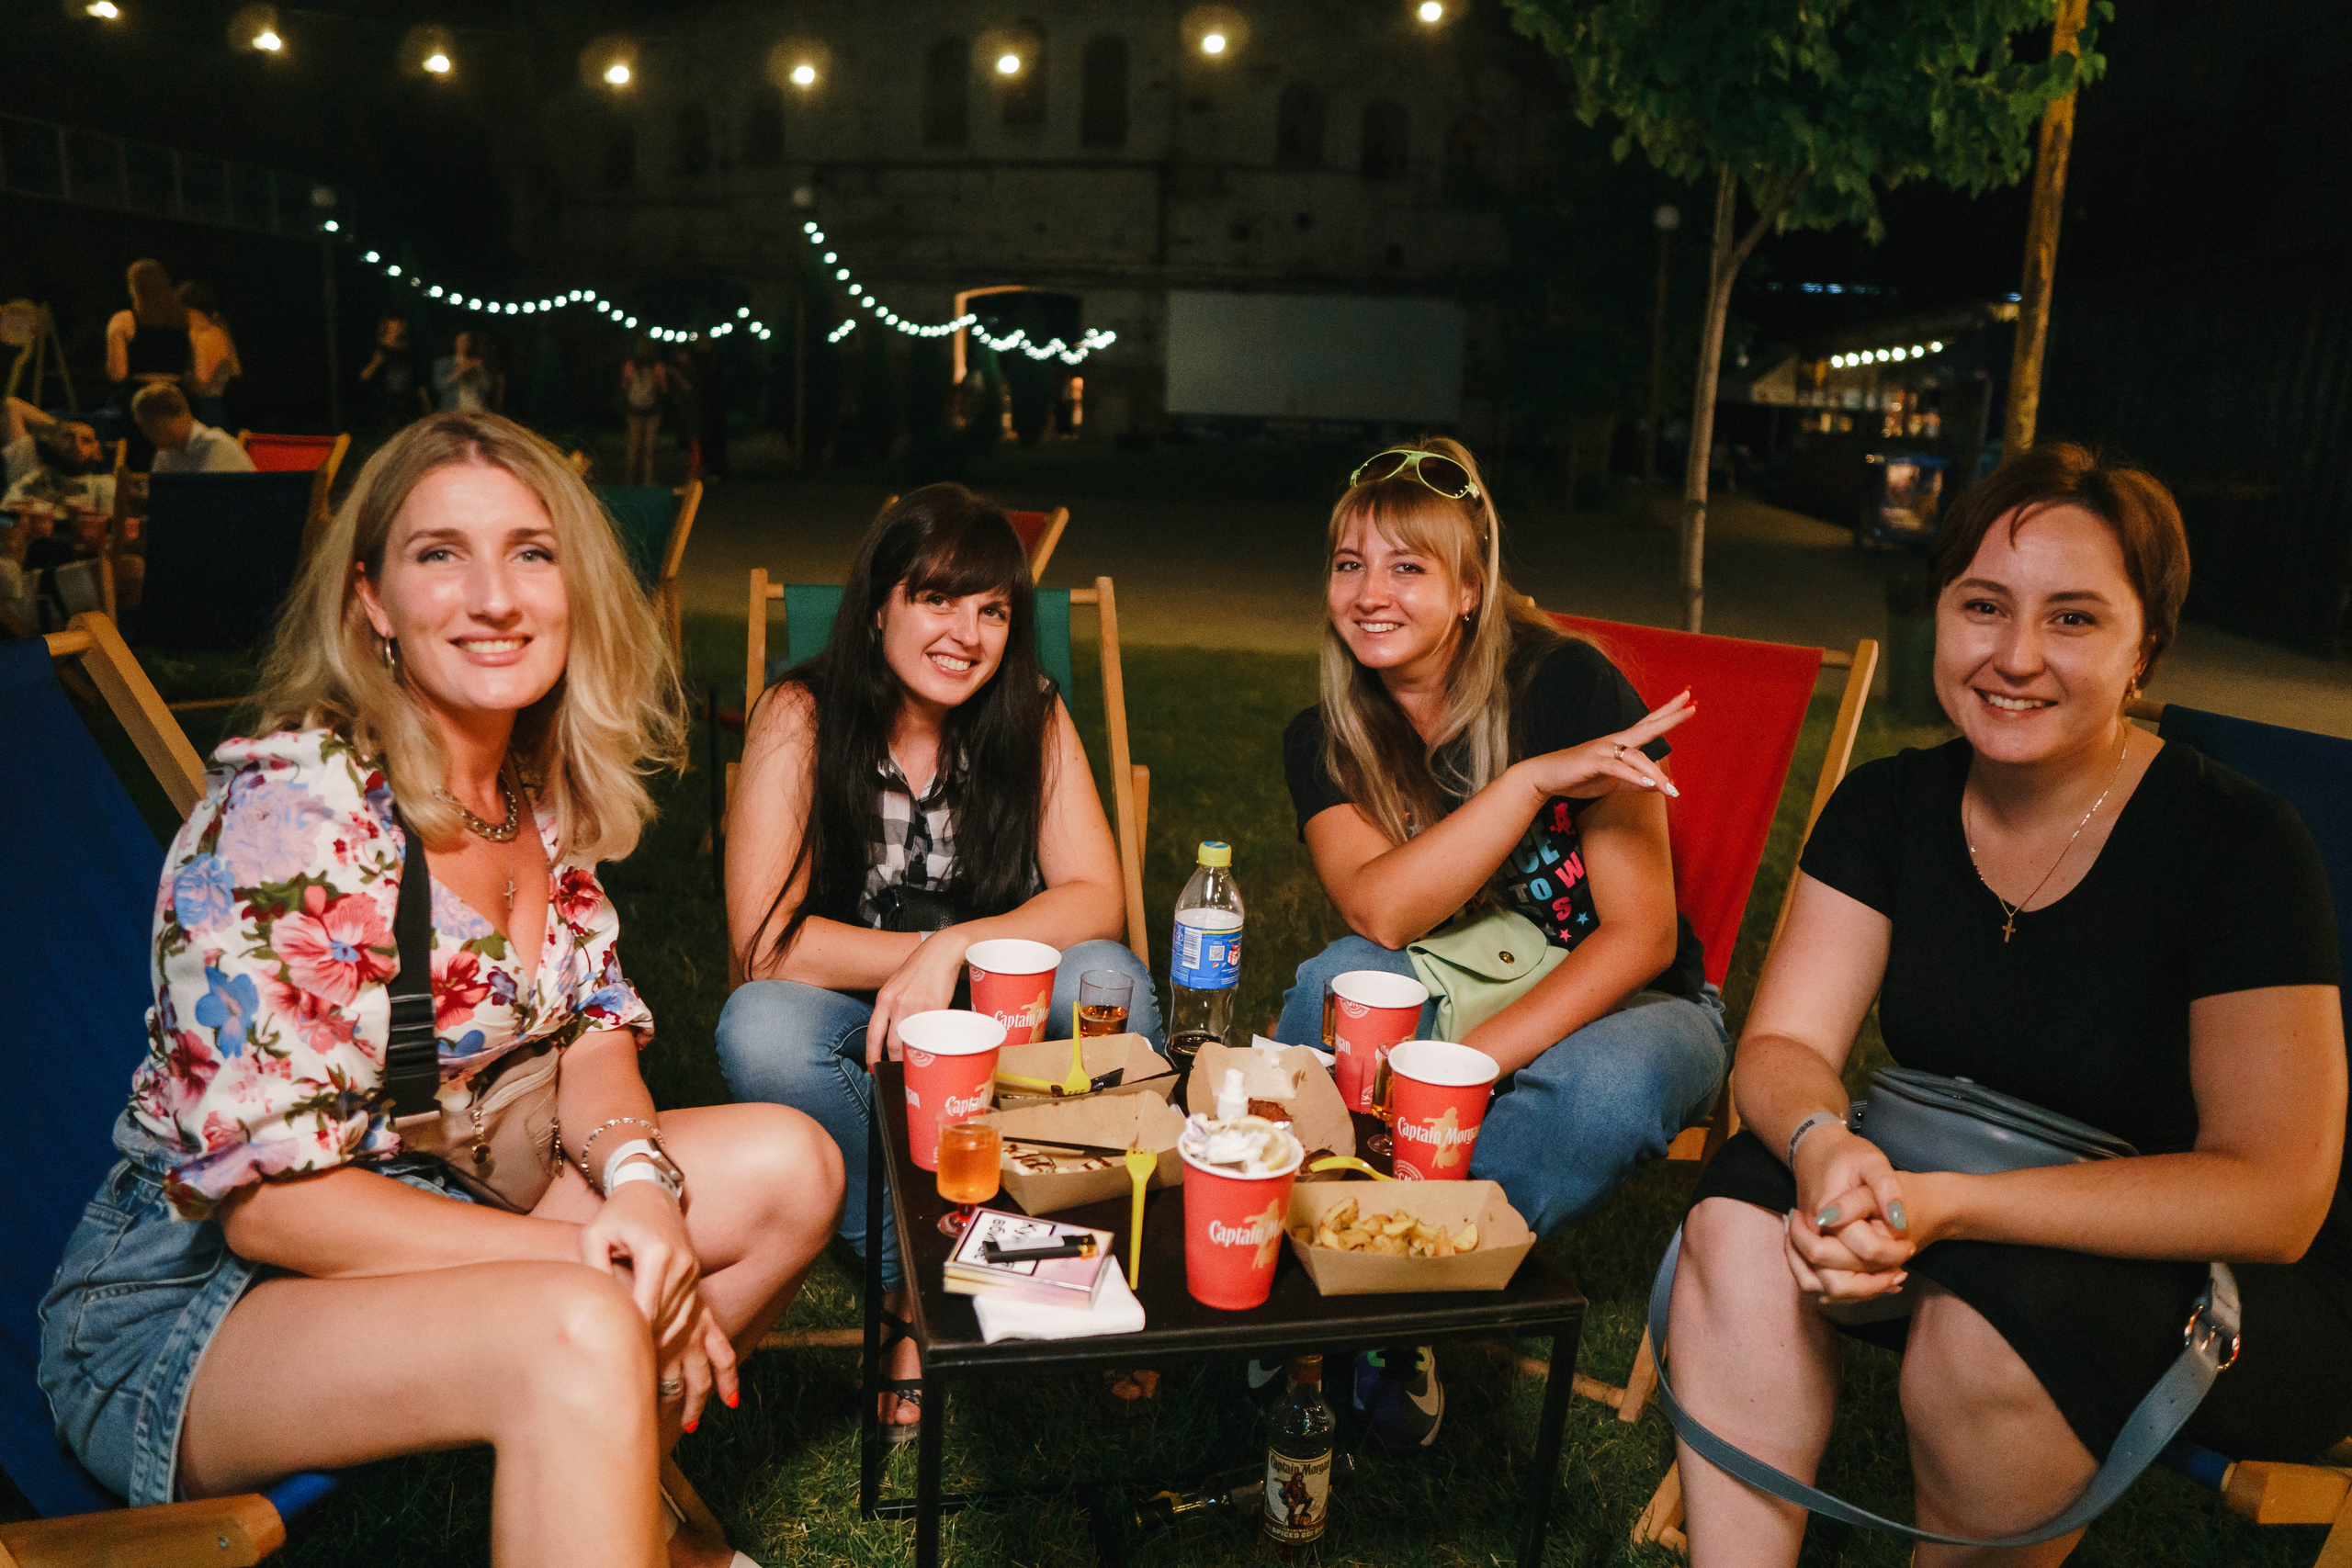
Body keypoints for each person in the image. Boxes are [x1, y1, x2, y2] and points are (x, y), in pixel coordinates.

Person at [37, 410, 842, 1568]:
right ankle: (599, 1451)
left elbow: (596, 1032)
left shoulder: (531, 785)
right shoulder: (293, 815)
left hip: (447, 1205)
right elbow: (273, 1205)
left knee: (791, 1165)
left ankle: (596, 1493)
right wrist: (599, 1264)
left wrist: (641, 1190)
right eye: (438, 554)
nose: (495, 596)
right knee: (585, 1320)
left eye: (530, 550)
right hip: (200, 1305)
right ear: (371, 600)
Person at [1665, 444, 2348, 1565]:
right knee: (1747, 1209)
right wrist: (1823, 1140)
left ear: (2146, 649)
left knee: (1995, 1314)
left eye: (2073, 619)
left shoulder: (2238, 848)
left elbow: (2273, 1197)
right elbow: (1785, 1043)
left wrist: (1957, 1210)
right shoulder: (1891, 805)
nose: (2014, 656)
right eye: (1984, 605)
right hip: (1953, 1194)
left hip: (2236, 1283)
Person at [1274, 438, 1726, 1447]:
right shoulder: (1326, 735)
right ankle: (1326, 1271)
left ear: (1472, 588)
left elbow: (1643, 933)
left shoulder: (1565, 686)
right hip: (1455, 966)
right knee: (1332, 987)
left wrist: (1463, 1069)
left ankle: (1387, 1294)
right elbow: (1383, 915)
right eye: (1350, 564)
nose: (1368, 592)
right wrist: (1525, 785)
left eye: (1407, 566)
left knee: (1599, 1092)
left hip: (1639, 999)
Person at [715, 483, 1159, 1437]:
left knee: (1103, 982)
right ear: (878, 605)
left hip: (1003, 996)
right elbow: (766, 943)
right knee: (759, 1029)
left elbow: (1095, 895)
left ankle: (1065, 1259)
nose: (967, 632)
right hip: (858, 1006)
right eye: (937, 598)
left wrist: (954, 949)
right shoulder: (802, 713)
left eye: (992, 610)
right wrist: (912, 963)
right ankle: (920, 1285)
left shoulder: (1029, 713)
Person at [3, 395, 114, 513]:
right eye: (68, 437)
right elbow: (12, 405)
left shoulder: (103, 485)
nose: (76, 444)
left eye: (86, 441)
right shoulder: (29, 474)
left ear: (97, 453)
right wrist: (58, 427)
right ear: (52, 442)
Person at [131, 382, 254, 474]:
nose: (144, 433)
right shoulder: (166, 452)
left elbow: (204, 500)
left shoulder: (215, 445)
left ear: (167, 422)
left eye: (147, 425)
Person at [177, 281, 242, 430]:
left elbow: (202, 381)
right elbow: (235, 371)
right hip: (216, 408)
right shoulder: (218, 332)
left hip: (203, 411)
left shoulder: (202, 336)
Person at [357, 316, 429, 433]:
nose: (398, 330)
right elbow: (363, 377)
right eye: (395, 327)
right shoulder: (376, 350)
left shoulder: (410, 352)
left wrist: (427, 406)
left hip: (408, 408)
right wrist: (376, 363)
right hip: (384, 410)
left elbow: (419, 383)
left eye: (401, 326)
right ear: (386, 329)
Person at [620, 339, 669, 485]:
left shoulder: (630, 365)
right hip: (652, 410)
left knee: (633, 445)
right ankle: (647, 479)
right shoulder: (658, 367)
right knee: (649, 446)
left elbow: (624, 387)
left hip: (634, 409)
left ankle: (628, 479)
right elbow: (664, 389)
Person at [432, 330, 492, 412]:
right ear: (454, 341)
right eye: (461, 340)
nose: (464, 343)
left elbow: (487, 388)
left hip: (477, 409)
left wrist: (480, 371)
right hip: (453, 410)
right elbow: (439, 387)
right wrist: (459, 372)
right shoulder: (443, 363)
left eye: (467, 340)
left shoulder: (476, 361)